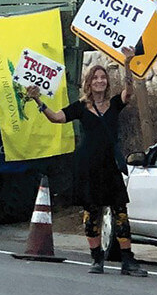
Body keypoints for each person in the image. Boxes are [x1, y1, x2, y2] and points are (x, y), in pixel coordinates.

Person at [27, 48, 147, 277]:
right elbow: (57, 118)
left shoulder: (114, 103)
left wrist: (127, 63)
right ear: (89, 83)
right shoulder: (80, 107)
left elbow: (129, 92)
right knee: (91, 213)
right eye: (95, 78)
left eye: (103, 78)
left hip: (110, 166)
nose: (100, 81)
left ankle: (128, 261)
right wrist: (37, 100)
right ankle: (96, 258)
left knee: (120, 212)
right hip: (88, 166)